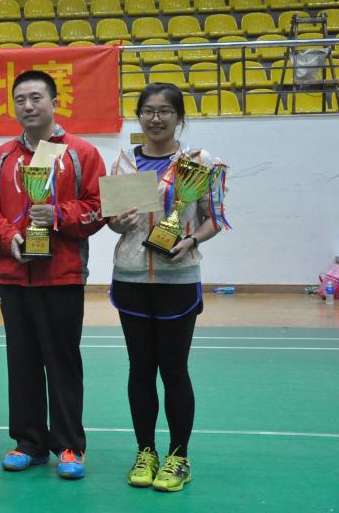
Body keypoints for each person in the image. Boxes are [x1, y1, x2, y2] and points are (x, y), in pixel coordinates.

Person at [0, 70, 105, 480]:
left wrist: (59, 215)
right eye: (20, 100)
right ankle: (29, 443)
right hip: (14, 277)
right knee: (22, 362)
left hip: (62, 277)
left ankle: (69, 445)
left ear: (54, 102)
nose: (28, 106)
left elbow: (99, 207)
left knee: (63, 364)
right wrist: (10, 238)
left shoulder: (81, 154)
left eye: (36, 98)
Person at [106, 83, 227, 492]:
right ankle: (146, 452)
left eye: (164, 111)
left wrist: (190, 240)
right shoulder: (123, 161)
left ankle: (178, 456)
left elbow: (214, 218)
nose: (155, 119)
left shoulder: (200, 161)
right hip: (130, 278)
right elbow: (114, 222)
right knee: (140, 369)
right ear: (138, 115)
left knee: (174, 369)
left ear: (179, 117)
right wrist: (117, 223)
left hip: (178, 279)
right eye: (148, 111)